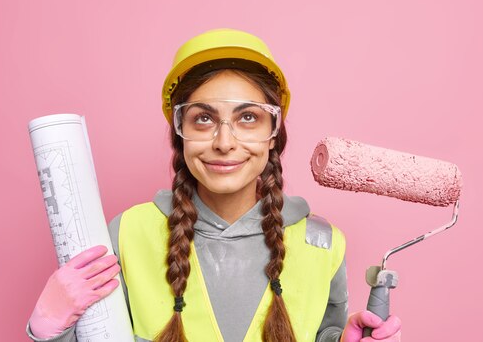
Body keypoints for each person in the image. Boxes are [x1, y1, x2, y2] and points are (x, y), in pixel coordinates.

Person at [27, 28, 402, 342]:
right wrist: (47, 327)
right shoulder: (128, 234)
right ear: (181, 133)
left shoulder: (321, 243)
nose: (224, 142)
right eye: (203, 118)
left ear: (273, 134)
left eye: (248, 118)